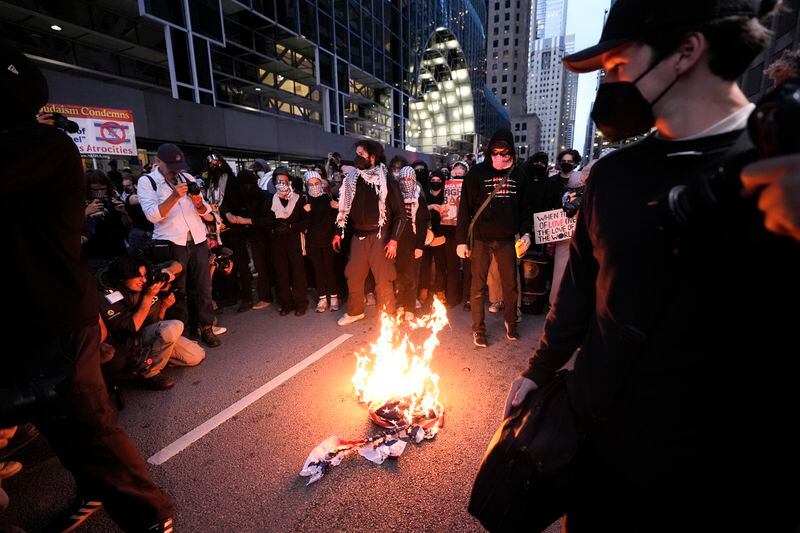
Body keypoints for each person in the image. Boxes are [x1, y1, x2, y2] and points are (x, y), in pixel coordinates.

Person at [504, 1, 799, 530]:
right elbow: (578, 292)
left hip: (722, 473)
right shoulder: (612, 176)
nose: (608, 86)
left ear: (686, 51)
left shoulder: (783, 162)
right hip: (604, 448)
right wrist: (539, 369)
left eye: (618, 66)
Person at [0, 42, 174, 532]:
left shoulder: (42, 145)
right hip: (18, 317)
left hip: (54, 313)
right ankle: (94, 490)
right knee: (59, 427)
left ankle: (150, 515)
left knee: (89, 424)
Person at [137, 143, 222, 347]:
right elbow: (152, 216)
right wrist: (175, 196)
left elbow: (204, 211)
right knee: (178, 289)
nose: (177, 170)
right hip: (171, 241)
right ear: (158, 161)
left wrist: (198, 203)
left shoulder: (188, 178)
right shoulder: (147, 182)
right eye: (171, 166)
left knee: (203, 286)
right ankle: (181, 332)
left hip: (198, 239)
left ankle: (205, 327)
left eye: (180, 166)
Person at [456, 130, 533, 347]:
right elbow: (465, 209)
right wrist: (461, 240)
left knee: (510, 285)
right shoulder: (476, 174)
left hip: (507, 239)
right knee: (478, 287)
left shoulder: (519, 176)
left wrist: (527, 233)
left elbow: (527, 208)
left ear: (511, 152)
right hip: (481, 239)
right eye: (495, 152)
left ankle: (511, 322)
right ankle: (478, 329)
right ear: (490, 150)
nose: (500, 157)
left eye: (505, 153)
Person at [98, 256, 205, 390]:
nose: (143, 280)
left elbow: (179, 264)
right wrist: (148, 296)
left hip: (154, 332)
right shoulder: (108, 296)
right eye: (138, 277)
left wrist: (168, 271)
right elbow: (133, 327)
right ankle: (149, 373)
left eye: (144, 275)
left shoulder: (147, 275)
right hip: (131, 342)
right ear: (122, 278)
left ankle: (154, 357)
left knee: (196, 356)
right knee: (174, 327)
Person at [333, 140, 405, 325]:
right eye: (356, 153)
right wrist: (337, 232)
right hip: (359, 236)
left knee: (384, 278)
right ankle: (355, 311)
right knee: (353, 275)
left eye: (360, 154)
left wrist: (394, 240)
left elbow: (400, 215)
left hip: (381, 236)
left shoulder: (387, 181)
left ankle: (388, 314)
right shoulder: (351, 181)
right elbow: (344, 209)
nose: (356, 158)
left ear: (372, 157)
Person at [218, 170, 273, 312]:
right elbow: (222, 203)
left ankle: (267, 296)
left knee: (263, 266)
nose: (247, 188)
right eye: (244, 186)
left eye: (250, 185)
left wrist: (246, 221)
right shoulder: (240, 196)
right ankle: (260, 296)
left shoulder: (263, 196)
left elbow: (268, 219)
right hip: (248, 235)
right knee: (255, 267)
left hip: (262, 235)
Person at [261, 168, 309, 315]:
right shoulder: (270, 200)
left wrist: (290, 226)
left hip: (294, 240)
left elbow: (306, 221)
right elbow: (267, 221)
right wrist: (274, 229)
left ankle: (301, 303)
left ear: (290, 182)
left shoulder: (299, 198)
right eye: (278, 181)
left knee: (298, 273)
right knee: (281, 273)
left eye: (284, 181)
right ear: (274, 183)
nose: (281, 184)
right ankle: (285, 303)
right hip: (277, 242)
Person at [395, 166, 430, 320]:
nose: (406, 182)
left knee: (411, 276)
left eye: (409, 179)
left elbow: (422, 225)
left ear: (414, 180)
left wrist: (419, 246)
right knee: (399, 276)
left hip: (414, 242)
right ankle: (401, 304)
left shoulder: (419, 199)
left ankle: (409, 306)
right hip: (398, 242)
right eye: (403, 179)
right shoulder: (395, 197)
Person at [549, 149, 584, 307]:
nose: (567, 164)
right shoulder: (552, 181)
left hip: (573, 229)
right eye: (564, 161)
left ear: (575, 163)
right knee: (554, 265)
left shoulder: (580, 182)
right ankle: (553, 299)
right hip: (554, 228)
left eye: (570, 162)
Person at [303, 170, 340, 313]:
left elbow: (338, 220)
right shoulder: (305, 200)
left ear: (321, 183)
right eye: (310, 184)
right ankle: (322, 298)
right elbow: (303, 223)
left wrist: (336, 235)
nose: (314, 186)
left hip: (328, 241)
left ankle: (334, 296)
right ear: (306, 185)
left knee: (329, 269)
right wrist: (304, 212)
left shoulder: (329, 198)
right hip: (312, 242)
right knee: (318, 271)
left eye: (316, 183)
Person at [82, 169, 132, 273]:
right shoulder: (79, 203)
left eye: (103, 189)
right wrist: (86, 213)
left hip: (118, 253)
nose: (99, 193)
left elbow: (128, 227)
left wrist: (124, 213)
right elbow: (71, 228)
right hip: (94, 256)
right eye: (95, 190)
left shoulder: (113, 200)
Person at [419, 169, 448, 307]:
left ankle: (440, 290)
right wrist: (429, 207)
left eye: (438, 181)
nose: (435, 183)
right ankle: (424, 289)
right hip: (425, 236)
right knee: (424, 266)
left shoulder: (446, 196)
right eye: (433, 180)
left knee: (441, 266)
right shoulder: (424, 194)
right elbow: (418, 209)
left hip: (440, 235)